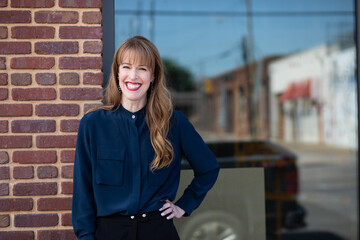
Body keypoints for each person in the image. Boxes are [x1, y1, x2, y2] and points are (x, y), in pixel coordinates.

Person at [72, 35, 220, 240]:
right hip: (109, 234)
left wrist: (183, 206)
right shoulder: (93, 124)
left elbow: (208, 169)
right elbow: (83, 189)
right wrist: (86, 237)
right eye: (126, 67)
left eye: (142, 68)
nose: (133, 76)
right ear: (117, 73)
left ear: (153, 77)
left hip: (158, 232)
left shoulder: (174, 123)